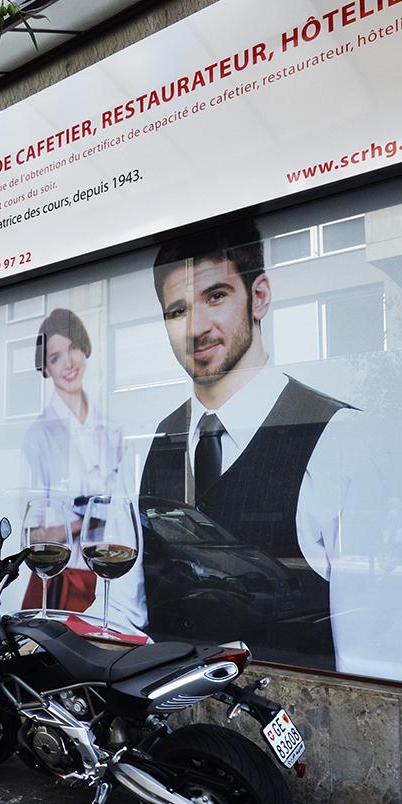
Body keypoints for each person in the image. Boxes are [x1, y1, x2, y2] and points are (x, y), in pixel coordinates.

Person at [113, 221, 365, 666]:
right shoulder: (158, 441)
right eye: (177, 311)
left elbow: (369, 652)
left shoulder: (337, 434)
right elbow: (126, 612)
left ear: (260, 296)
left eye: (216, 296)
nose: (196, 327)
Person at [20, 308, 128, 614]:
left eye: (73, 349)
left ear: (85, 350)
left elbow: (125, 513)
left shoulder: (112, 430)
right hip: (63, 582)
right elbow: (32, 534)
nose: (68, 363)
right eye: (55, 358)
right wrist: (88, 521)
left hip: (113, 581)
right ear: (46, 369)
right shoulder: (38, 436)